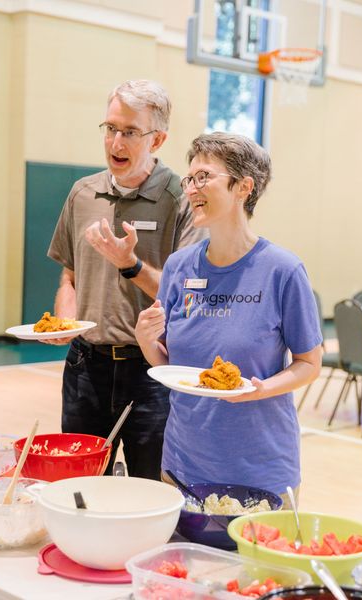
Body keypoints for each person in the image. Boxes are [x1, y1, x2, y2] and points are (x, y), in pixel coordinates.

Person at [135, 132, 323, 503]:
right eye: (190, 179)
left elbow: (309, 363)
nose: (191, 189)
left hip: (261, 470)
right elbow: (172, 366)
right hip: (183, 466)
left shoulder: (282, 270)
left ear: (243, 187)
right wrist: (146, 341)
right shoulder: (179, 266)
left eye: (204, 176)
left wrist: (261, 389)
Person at [46, 80, 204, 480]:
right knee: (79, 486)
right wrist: (65, 319)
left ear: (158, 139)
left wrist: (130, 263)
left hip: (151, 371)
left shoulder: (182, 200)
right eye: (111, 128)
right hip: (86, 366)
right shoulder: (83, 193)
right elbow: (70, 275)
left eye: (130, 132)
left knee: (149, 488)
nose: (116, 141)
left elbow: (185, 298)